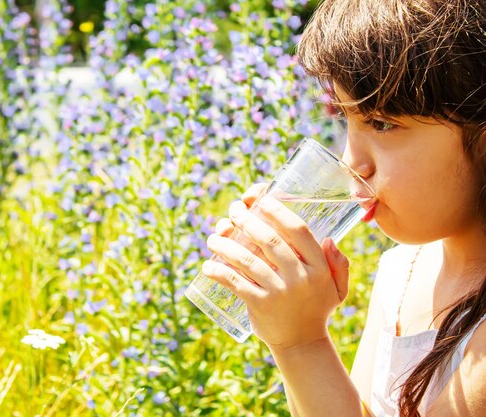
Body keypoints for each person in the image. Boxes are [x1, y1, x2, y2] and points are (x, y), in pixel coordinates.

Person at [200, 0, 486, 415]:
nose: (352, 164)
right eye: (345, 119)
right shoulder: (401, 273)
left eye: (383, 123)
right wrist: (291, 335)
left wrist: (302, 344)